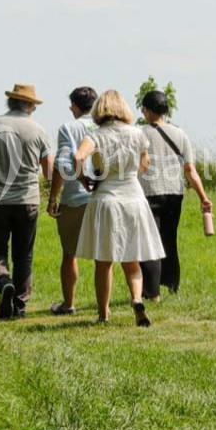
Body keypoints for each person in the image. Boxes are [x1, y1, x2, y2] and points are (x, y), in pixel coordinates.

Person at [73, 90, 164, 327]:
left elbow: (78, 157)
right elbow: (144, 165)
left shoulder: (95, 135)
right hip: (134, 197)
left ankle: (103, 312)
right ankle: (136, 299)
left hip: (107, 198)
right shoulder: (138, 134)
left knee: (104, 261)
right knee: (132, 259)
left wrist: (84, 180)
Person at [0, 84, 54, 320]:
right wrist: (53, 197)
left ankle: (4, 281)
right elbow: (49, 171)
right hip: (27, 200)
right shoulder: (39, 131)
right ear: (29, 106)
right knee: (23, 255)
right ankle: (20, 304)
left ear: (11, 102)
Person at [138, 90, 213, 300]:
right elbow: (190, 170)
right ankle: (172, 284)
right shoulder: (180, 134)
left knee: (149, 242)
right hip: (174, 193)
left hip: (148, 193)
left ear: (147, 110)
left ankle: (151, 290)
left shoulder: (139, 133)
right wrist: (203, 197)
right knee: (169, 239)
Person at [46, 86, 98, 316]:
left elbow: (62, 164)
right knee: (103, 256)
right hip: (102, 197)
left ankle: (69, 304)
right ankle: (102, 306)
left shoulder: (68, 128)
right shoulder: (104, 127)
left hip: (75, 198)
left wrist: (53, 197)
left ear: (74, 107)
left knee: (70, 254)